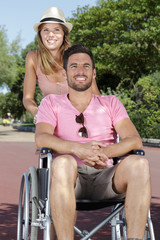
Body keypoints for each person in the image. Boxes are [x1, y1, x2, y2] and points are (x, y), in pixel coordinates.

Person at [35, 44, 151, 240]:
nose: (80, 71)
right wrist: (78, 149)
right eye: (74, 66)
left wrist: (105, 153)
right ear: (65, 73)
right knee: (63, 162)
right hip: (69, 180)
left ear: (94, 72)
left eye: (86, 66)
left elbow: (134, 140)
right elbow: (42, 138)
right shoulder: (51, 103)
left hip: (106, 178)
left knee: (139, 164)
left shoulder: (111, 103)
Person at [23, 7, 100, 122]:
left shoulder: (77, 56)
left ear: (64, 33)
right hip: (51, 120)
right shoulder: (33, 58)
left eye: (56, 30)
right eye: (46, 30)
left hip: (82, 119)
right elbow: (27, 98)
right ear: (40, 34)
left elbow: (95, 95)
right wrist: (37, 112)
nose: (51, 34)